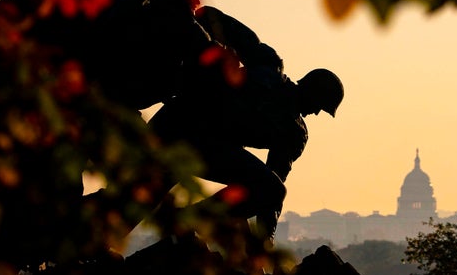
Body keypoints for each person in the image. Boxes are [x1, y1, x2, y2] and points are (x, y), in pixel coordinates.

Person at [147, 66, 344, 245]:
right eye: (320, 104)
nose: (317, 112)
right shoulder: (275, 94)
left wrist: (260, 243)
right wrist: (263, 247)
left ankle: (186, 220)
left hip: (183, 131)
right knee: (272, 190)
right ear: (312, 91)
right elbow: (270, 192)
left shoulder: (270, 81)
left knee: (136, 198)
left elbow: (260, 192)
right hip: (180, 128)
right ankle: (190, 219)